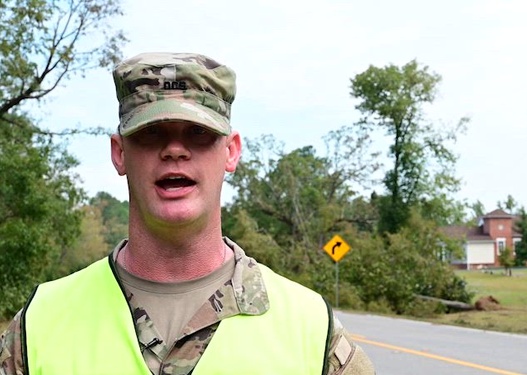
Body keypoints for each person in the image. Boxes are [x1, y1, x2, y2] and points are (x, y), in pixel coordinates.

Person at [0, 52, 375, 374]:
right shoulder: (41, 323)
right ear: (119, 153)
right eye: (151, 133)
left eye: (198, 133)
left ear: (231, 151)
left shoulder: (309, 327)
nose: (175, 150)